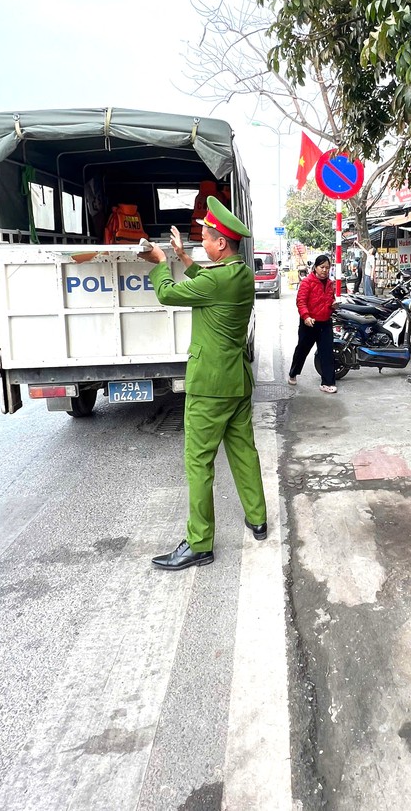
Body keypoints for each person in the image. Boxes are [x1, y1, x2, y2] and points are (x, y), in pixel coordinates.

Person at [140, 196, 268, 571]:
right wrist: (185, 259)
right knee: (244, 452)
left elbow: (167, 293)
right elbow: (211, 282)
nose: (202, 244)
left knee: (199, 463)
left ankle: (199, 544)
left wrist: (163, 263)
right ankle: (257, 519)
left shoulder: (216, 279)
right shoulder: (240, 274)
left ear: (221, 244)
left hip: (209, 386)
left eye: (205, 239)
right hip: (237, 383)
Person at [288, 254, 338, 393]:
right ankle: (293, 373)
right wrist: (306, 316)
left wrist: (333, 305)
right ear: (315, 267)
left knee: (327, 353)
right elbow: (301, 301)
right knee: (302, 350)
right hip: (309, 323)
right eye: (322, 267)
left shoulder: (330, 284)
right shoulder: (307, 282)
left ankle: (327, 383)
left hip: (325, 323)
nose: (325, 270)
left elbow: (329, 299)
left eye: (327, 268)